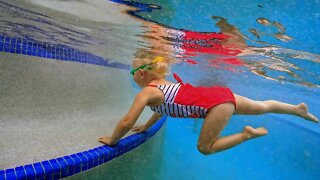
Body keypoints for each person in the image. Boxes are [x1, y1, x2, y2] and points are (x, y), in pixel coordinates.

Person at [99, 49, 318, 155]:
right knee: (262, 106)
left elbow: (127, 120)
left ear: (143, 75)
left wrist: (112, 139)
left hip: (217, 106)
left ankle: (246, 134)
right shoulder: (163, 88)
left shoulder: (147, 92)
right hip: (220, 95)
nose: (132, 76)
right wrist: (146, 126)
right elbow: (162, 109)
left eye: (132, 72)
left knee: (205, 148)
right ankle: (297, 109)